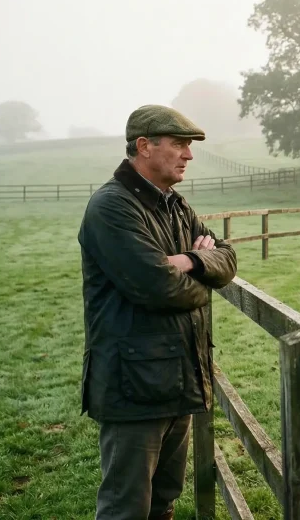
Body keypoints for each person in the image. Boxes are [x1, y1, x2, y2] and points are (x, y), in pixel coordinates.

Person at [77, 105, 238, 519]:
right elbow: (158, 287)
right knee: (126, 507)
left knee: (163, 500)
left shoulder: (175, 206)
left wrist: (188, 261)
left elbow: (228, 257)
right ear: (144, 146)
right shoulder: (112, 207)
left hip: (177, 379)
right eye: (180, 144)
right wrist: (203, 278)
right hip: (133, 387)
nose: (188, 155)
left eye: (189, 146)